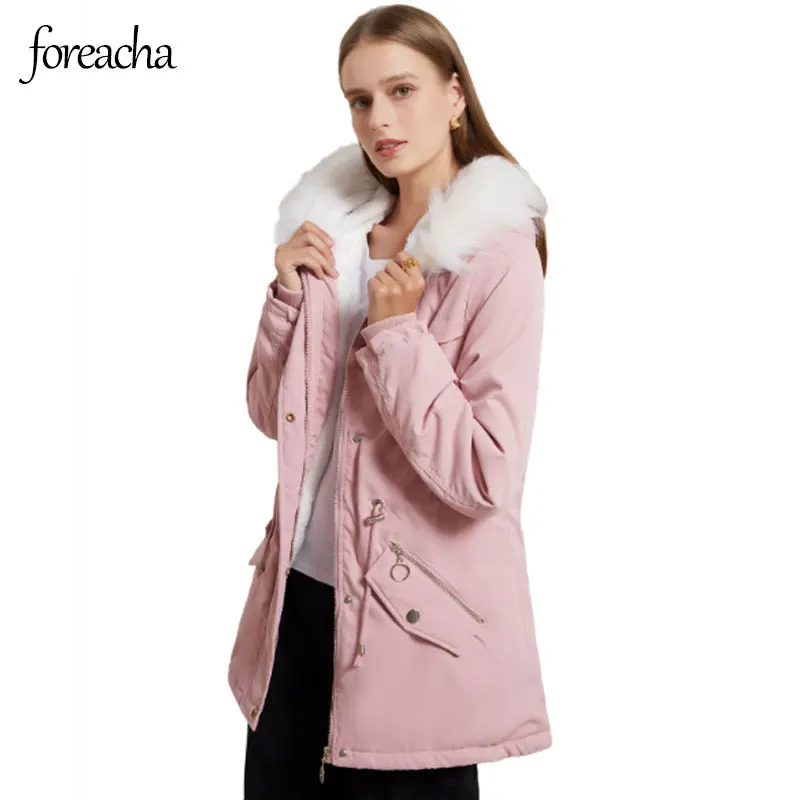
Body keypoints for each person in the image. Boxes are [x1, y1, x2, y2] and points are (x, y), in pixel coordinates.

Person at [228, 5, 552, 798]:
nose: (379, 119)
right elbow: (270, 416)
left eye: (402, 90)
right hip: (297, 602)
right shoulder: (335, 240)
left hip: (415, 626)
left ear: (454, 95)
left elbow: (486, 474)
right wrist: (285, 296)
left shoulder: (497, 257)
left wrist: (399, 335)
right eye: (360, 99)